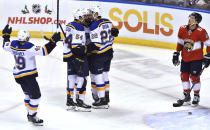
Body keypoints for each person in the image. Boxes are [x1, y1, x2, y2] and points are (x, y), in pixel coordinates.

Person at [2, 24, 61, 125]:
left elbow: (5, 45)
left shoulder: (13, 44)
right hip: (28, 76)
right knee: (36, 96)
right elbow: (44, 51)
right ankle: (32, 115)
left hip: (17, 75)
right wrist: (53, 41)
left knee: (28, 95)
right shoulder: (29, 47)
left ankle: (29, 113)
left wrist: (6, 36)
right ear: (26, 38)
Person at [172, 12, 210, 107]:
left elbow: (208, 45)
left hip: (196, 58)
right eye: (190, 17)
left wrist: (208, 55)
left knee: (194, 77)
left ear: (197, 21)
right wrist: (177, 52)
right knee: (184, 76)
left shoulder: (201, 31)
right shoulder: (182, 29)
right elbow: (180, 42)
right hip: (185, 57)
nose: (190, 19)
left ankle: (196, 96)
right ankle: (186, 95)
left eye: (192, 18)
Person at [88, 6, 119, 109]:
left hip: (99, 54)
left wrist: (85, 49)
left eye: (91, 13)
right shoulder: (108, 21)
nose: (90, 15)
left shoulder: (94, 25)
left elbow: (96, 44)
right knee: (105, 74)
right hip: (109, 51)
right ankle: (106, 96)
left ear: (96, 14)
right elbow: (113, 35)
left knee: (97, 75)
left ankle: (102, 100)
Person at [63, 8, 91, 112]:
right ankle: (80, 102)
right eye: (82, 17)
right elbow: (77, 45)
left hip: (68, 55)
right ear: (78, 17)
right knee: (83, 78)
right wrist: (84, 48)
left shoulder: (68, 25)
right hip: (77, 56)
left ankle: (69, 101)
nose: (84, 18)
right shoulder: (79, 27)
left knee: (71, 77)